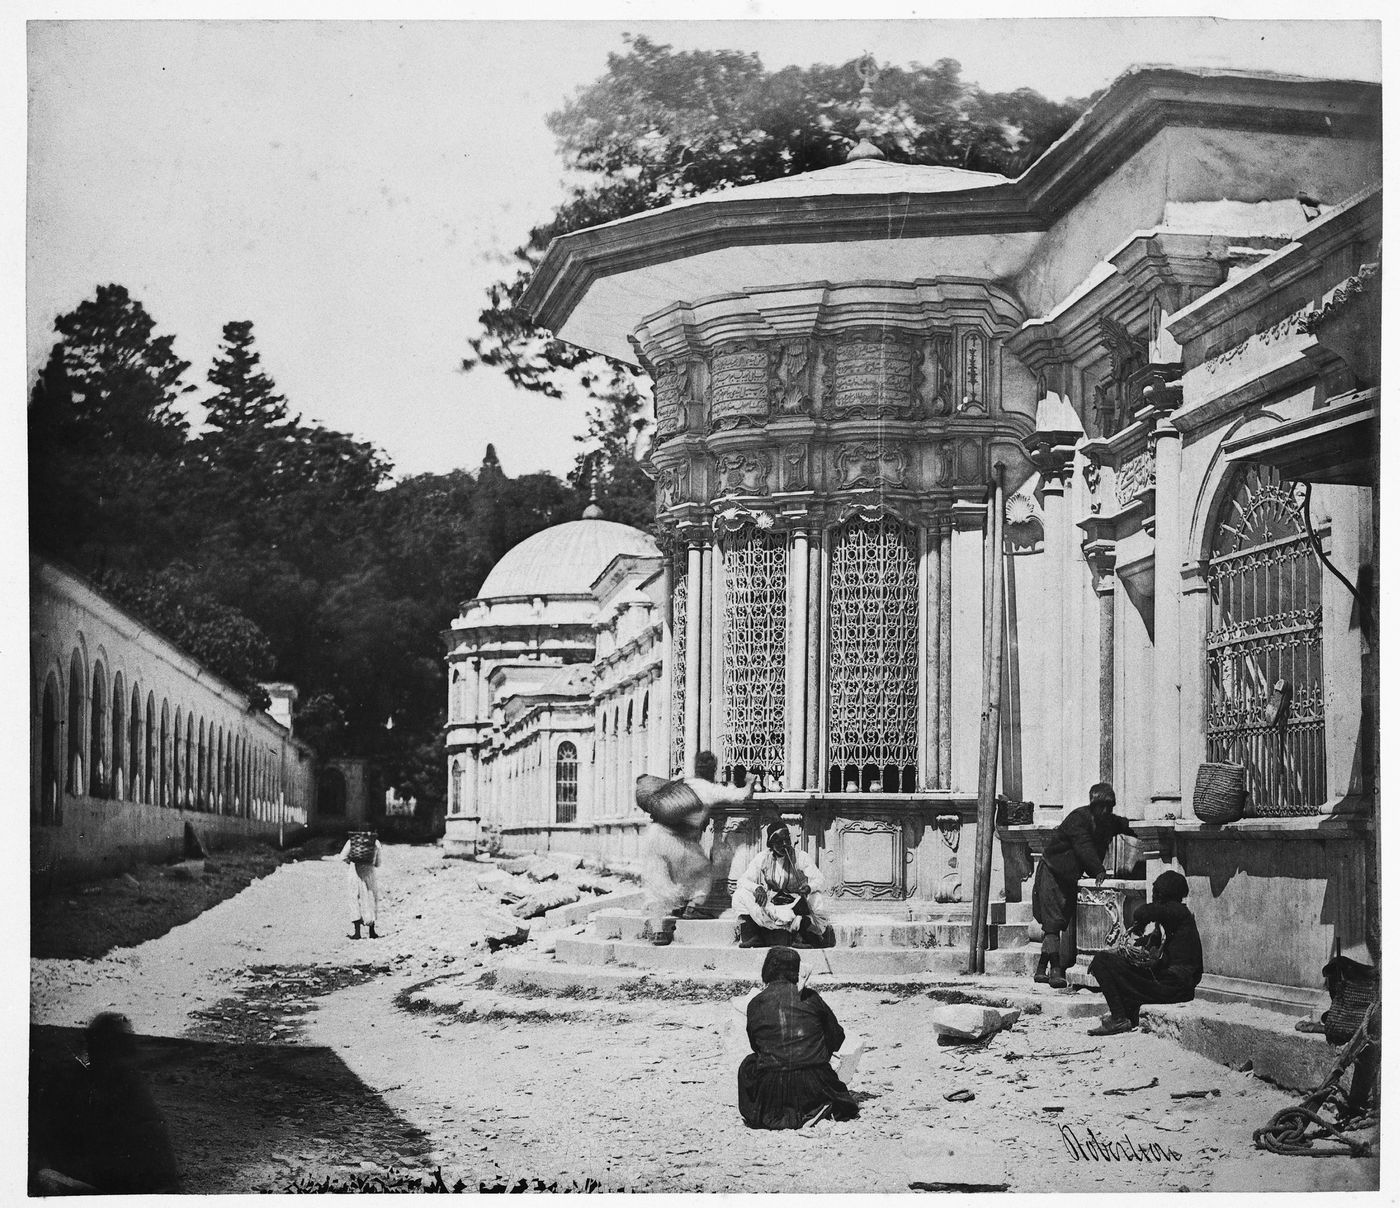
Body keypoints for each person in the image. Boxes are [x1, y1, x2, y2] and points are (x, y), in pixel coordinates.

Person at [30, 1012, 181, 1195]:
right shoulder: (124, 1085)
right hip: (130, 1188)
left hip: (121, 1191)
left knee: (45, 1177)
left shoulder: (118, 1088)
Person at [737, 947, 859, 1129]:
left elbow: (756, 1046)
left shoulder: (755, 1003)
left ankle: (775, 1112)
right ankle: (817, 1106)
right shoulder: (811, 998)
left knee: (749, 1064)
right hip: (814, 1080)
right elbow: (837, 1037)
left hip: (773, 1084)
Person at [1031, 782, 1134, 988]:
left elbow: (1125, 825)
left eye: (1109, 806)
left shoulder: (1107, 821)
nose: (1105, 811)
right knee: (1053, 923)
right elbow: (1084, 847)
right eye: (1101, 806)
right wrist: (1099, 869)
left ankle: (1041, 969)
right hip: (1051, 872)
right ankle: (1056, 971)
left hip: (1068, 877)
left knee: (1059, 921)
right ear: (1092, 805)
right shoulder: (1078, 819)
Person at [1087, 870, 1202, 1036]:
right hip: (1174, 986)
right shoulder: (1175, 918)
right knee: (1111, 962)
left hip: (1173, 987)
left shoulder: (1177, 912)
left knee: (1101, 961)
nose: (1154, 896)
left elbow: (1143, 912)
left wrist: (1140, 924)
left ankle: (1119, 1018)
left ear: (1164, 894)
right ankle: (1124, 1013)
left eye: (1156, 893)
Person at [643, 751, 753, 923]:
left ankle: (659, 927)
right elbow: (740, 796)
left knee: (659, 880)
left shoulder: (683, 782)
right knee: (703, 871)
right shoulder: (709, 789)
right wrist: (749, 782)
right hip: (678, 839)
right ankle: (693, 906)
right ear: (713, 769)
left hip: (654, 834)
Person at [732, 823, 835, 948]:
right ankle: (753, 936)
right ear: (770, 844)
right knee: (739, 894)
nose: (784, 844)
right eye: (779, 841)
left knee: (816, 896)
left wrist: (809, 888)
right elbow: (742, 880)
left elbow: (820, 879)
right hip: (773, 905)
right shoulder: (763, 857)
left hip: (796, 906)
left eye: (787, 840)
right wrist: (757, 888)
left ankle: (802, 936)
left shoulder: (800, 856)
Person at [339, 828, 383, 939]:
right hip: (369, 874)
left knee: (355, 899)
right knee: (370, 899)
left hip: (355, 873)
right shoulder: (376, 843)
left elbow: (343, 856)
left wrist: (352, 862)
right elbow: (378, 863)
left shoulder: (352, 842)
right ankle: (372, 931)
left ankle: (357, 932)